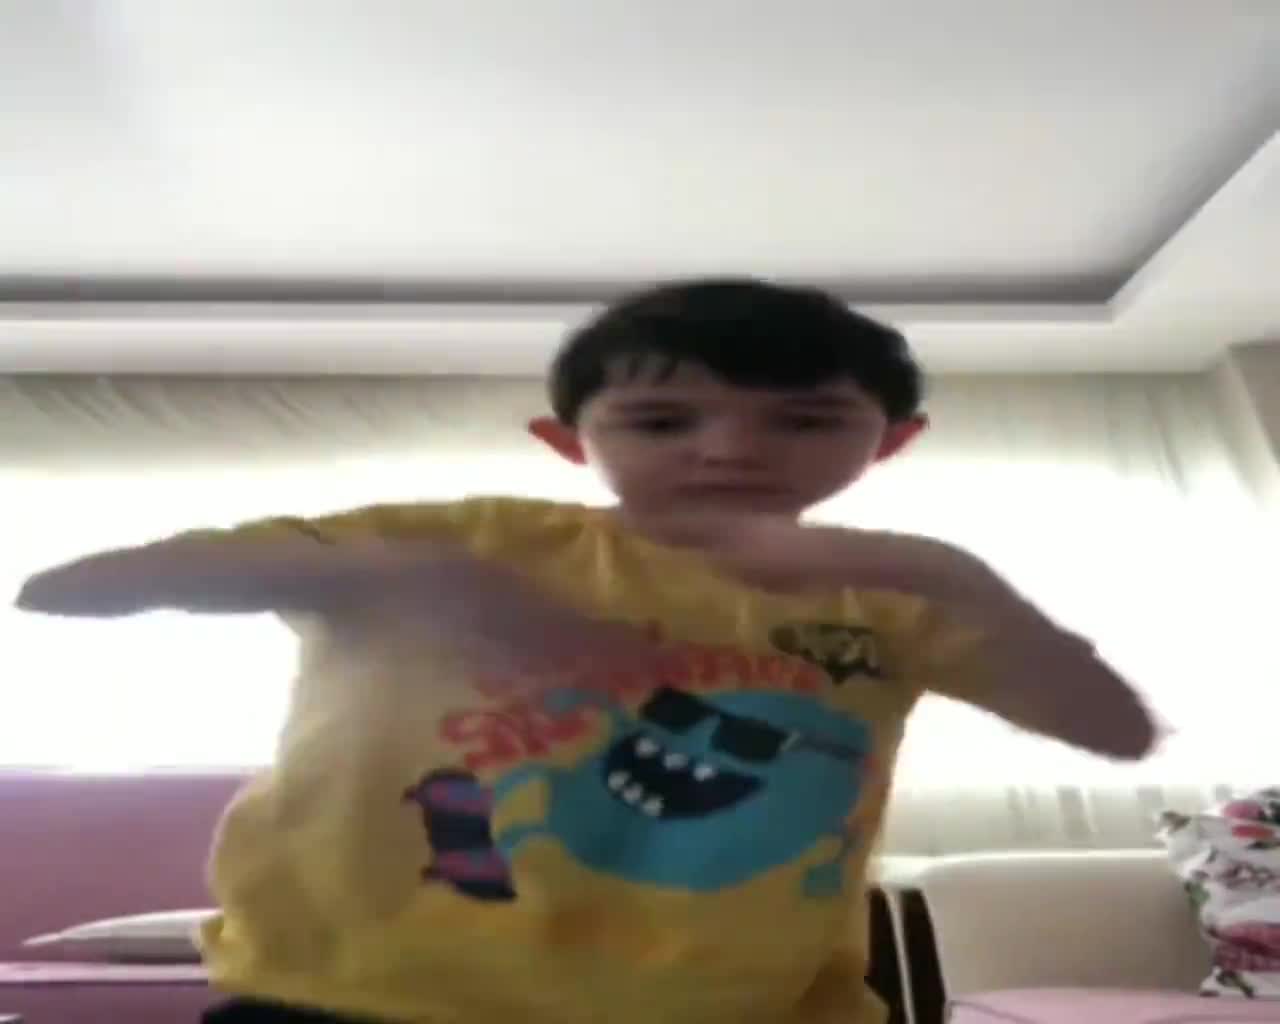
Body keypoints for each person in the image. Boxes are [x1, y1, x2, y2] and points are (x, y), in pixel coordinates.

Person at [17, 279, 1155, 1024]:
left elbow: (1112, 728)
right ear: (569, 440)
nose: (729, 451)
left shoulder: (898, 587)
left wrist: (973, 590)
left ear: (890, 441)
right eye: (663, 421)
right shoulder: (446, 537)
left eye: (804, 419)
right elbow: (65, 588)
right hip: (348, 999)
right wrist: (399, 581)